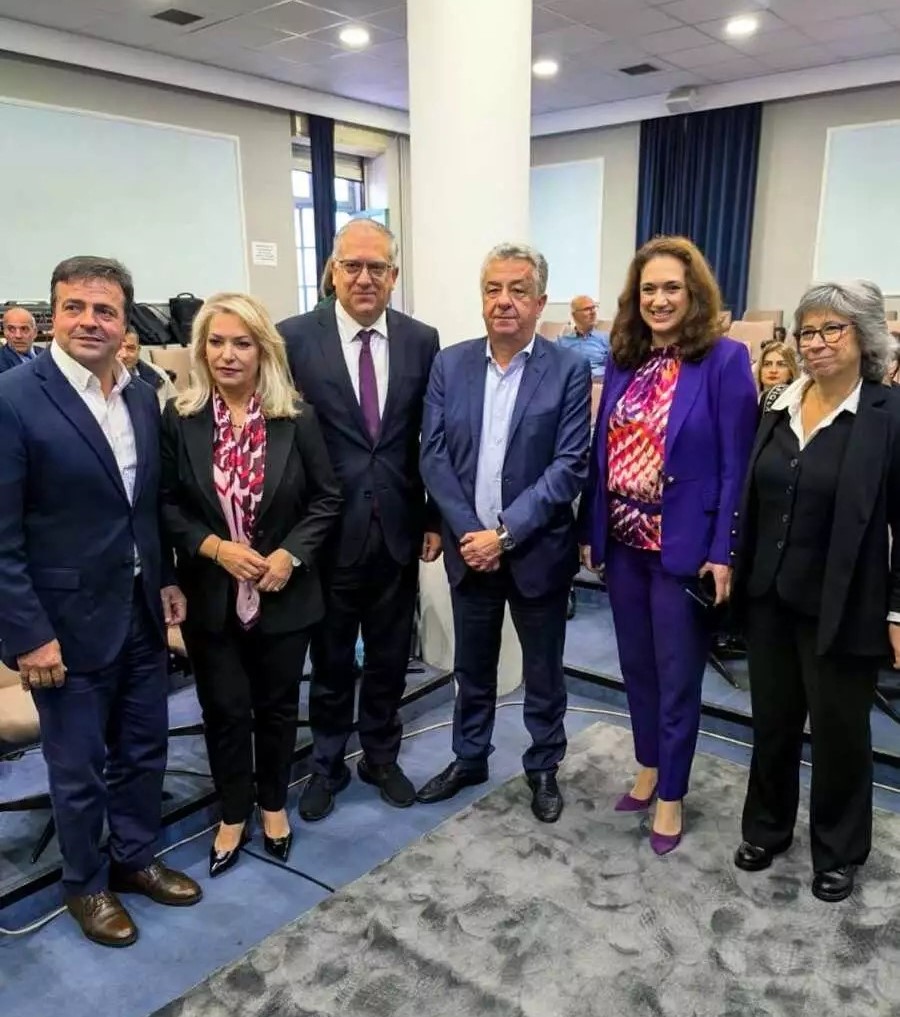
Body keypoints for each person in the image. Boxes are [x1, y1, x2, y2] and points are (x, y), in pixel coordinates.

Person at [0, 256, 202, 947]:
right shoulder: (15, 398)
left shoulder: (141, 396)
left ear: (124, 322)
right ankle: (85, 883)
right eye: (75, 307)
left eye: (105, 310)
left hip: (139, 612)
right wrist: (27, 634)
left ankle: (135, 857)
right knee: (78, 768)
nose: (90, 321)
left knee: (144, 750)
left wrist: (166, 577)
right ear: (53, 315)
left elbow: (142, 506)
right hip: (62, 628)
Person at [579, 235, 758, 854]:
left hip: (683, 546)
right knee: (636, 669)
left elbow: (736, 468)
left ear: (694, 294)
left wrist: (724, 551)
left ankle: (673, 793)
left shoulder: (725, 361)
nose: (659, 299)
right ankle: (649, 765)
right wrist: (592, 530)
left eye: (672, 288)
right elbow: (602, 452)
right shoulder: (624, 358)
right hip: (624, 542)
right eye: (648, 289)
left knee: (677, 676)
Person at [160, 293, 341, 876]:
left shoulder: (297, 417)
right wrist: (214, 548)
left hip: (284, 595)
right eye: (216, 342)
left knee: (278, 709)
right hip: (211, 598)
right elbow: (165, 503)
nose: (228, 355)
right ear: (200, 348)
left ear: (263, 350)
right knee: (225, 711)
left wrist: (290, 554)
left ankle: (273, 805)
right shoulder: (181, 417)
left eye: (242, 343)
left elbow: (326, 499)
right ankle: (233, 812)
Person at [731, 280, 900, 903]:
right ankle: (767, 827)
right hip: (770, 596)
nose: (817, 342)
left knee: (839, 733)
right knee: (773, 721)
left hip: (847, 602)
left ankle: (839, 849)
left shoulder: (888, 414)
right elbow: (756, 494)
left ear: (865, 337)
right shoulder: (778, 402)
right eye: (808, 330)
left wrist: (898, 611)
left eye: (833, 328)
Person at [417, 242, 591, 823]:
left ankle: (543, 765)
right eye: (493, 289)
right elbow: (434, 456)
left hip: (537, 549)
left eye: (518, 290)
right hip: (470, 551)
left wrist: (504, 534)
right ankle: (469, 757)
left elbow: (569, 465)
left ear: (540, 302)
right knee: (472, 667)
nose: (504, 301)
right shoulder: (451, 365)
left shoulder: (567, 369)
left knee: (543, 671)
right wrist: (472, 534)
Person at [278, 220, 442, 821]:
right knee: (330, 659)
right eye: (352, 266)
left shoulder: (421, 340)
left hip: (397, 528)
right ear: (333, 271)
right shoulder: (293, 338)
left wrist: (432, 516)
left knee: (390, 656)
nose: (365, 278)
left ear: (394, 275)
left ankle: (380, 754)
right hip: (326, 533)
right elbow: (281, 442)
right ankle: (326, 764)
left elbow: (429, 438)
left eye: (377, 267)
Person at [118, 329, 178, 410]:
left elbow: (176, 410)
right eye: (117, 347)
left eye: (130, 348)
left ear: (138, 350)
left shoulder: (158, 376)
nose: (124, 355)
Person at [556, 295, 610, 380]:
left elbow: (613, 368)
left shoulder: (606, 339)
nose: (593, 312)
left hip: (598, 382)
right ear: (574, 315)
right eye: (587, 309)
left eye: (594, 308)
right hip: (573, 382)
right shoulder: (561, 342)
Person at [755, 340, 800, 411]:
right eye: (767, 364)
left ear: (791, 371)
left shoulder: (796, 405)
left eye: (781, 365)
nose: (773, 370)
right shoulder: (750, 402)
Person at [0, 306, 41, 371]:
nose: (18, 335)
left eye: (24, 329)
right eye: (11, 329)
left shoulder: (48, 354)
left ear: (35, 332)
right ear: (5, 332)